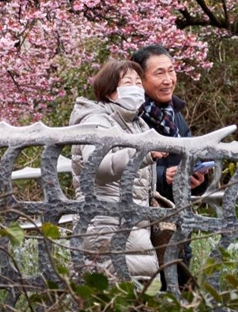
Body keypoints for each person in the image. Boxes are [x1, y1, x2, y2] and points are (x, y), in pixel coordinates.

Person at [68, 59, 167, 284]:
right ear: (111, 91)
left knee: (138, 296)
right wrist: (144, 154)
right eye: (128, 82)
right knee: (107, 294)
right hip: (105, 227)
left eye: (138, 82)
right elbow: (98, 166)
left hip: (134, 226)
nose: (136, 88)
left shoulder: (136, 124)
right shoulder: (96, 121)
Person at [131, 44, 209, 291]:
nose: (168, 80)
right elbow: (120, 169)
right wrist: (165, 176)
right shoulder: (131, 118)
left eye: (171, 71)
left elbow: (188, 158)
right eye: (159, 73)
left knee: (178, 289)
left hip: (175, 221)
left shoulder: (175, 115)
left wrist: (196, 180)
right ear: (140, 79)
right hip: (141, 226)